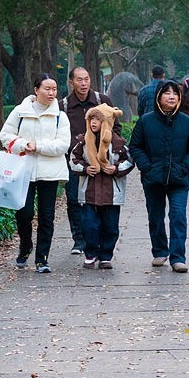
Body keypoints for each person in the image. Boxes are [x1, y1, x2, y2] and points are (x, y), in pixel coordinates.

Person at [0, 73, 70, 273]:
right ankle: (25, 246)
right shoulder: (20, 112)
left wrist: (38, 146)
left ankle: (42, 258)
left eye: (54, 89)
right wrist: (23, 144)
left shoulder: (60, 116)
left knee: (47, 216)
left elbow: (63, 144)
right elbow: (5, 135)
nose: (51, 93)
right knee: (24, 213)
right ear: (36, 90)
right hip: (24, 170)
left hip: (50, 172)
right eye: (47, 89)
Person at [129, 81, 189, 273]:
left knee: (178, 216)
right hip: (153, 178)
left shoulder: (186, 122)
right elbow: (135, 146)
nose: (171, 96)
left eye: (175, 93)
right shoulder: (146, 121)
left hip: (178, 179)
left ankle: (178, 257)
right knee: (156, 216)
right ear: (158, 97)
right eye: (167, 93)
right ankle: (160, 250)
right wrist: (146, 167)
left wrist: (185, 167)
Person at [68, 105, 134, 268]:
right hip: (89, 191)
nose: (94, 123)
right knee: (89, 224)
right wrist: (84, 168)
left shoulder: (117, 142)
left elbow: (129, 161)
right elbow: (73, 160)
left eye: (98, 119)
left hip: (112, 193)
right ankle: (90, 253)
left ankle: (106, 255)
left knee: (110, 225)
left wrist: (116, 168)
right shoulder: (83, 142)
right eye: (91, 119)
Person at [60, 67, 112, 256]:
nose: (83, 84)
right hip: (75, 163)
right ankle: (79, 240)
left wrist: (106, 146)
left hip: (99, 161)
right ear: (71, 82)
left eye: (87, 79)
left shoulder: (101, 101)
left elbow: (116, 127)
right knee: (74, 200)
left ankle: (97, 239)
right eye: (79, 80)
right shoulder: (63, 106)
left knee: (99, 201)